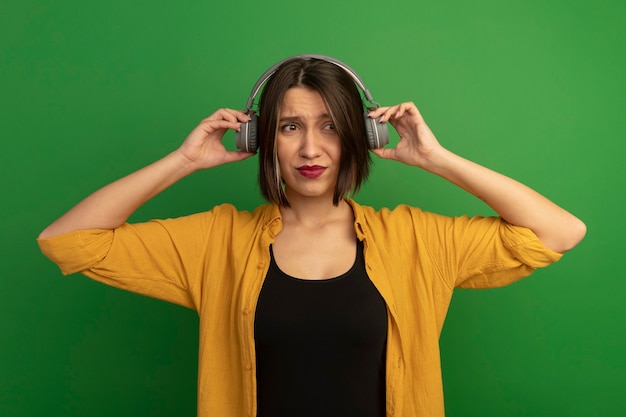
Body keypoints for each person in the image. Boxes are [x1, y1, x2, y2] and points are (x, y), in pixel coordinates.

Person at [37, 55, 586, 417]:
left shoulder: (417, 240)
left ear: (359, 135)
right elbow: (69, 240)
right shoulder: (217, 241)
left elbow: (560, 231)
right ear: (260, 138)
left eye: (329, 125)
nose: (309, 150)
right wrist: (183, 161)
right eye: (289, 126)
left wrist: (437, 161)